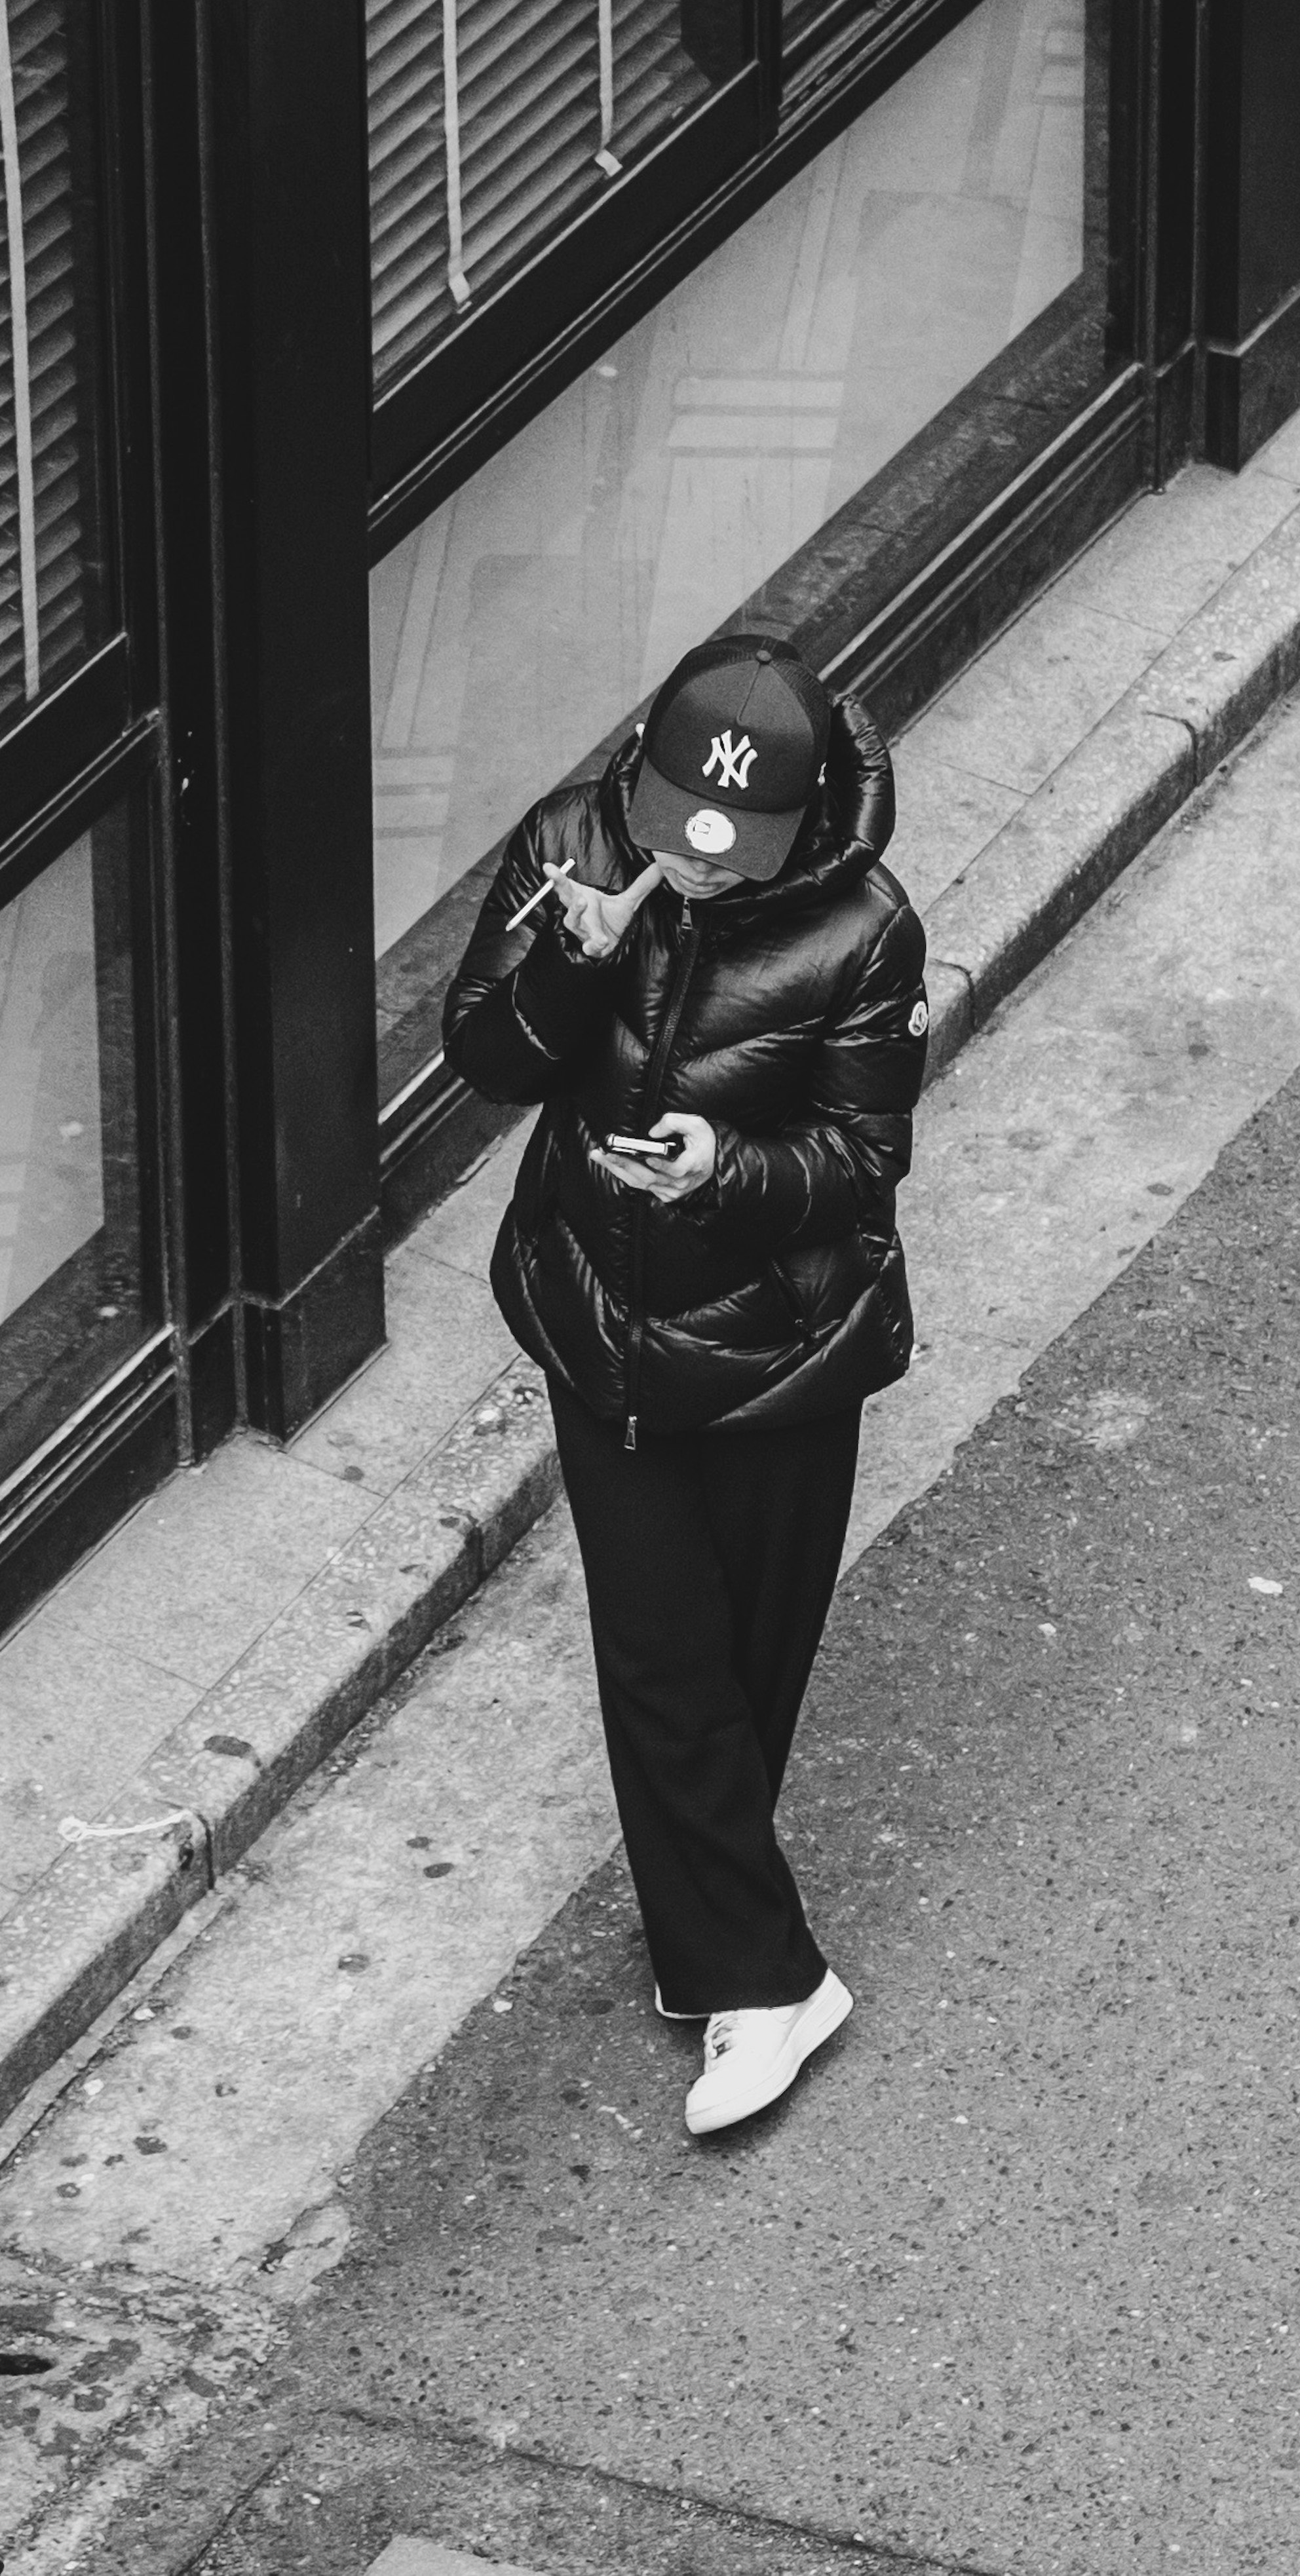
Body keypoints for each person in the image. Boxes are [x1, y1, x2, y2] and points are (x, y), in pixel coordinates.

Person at [442, 634, 928, 2140]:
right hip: (602, 1320)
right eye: (676, 843)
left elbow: (861, 1167)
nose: (698, 878)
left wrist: (723, 1173)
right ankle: (764, 1979)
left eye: (734, 858)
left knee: (747, 1659)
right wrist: (571, 955)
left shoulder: (863, 929)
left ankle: (724, 1931)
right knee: (661, 1654)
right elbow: (490, 1058)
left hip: (786, 1346)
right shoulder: (566, 847)